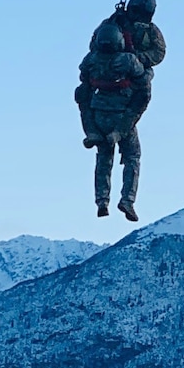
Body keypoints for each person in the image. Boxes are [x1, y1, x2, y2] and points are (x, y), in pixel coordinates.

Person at [76, 19, 147, 220]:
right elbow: (142, 80)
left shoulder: (91, 60)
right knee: (132, 157)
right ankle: (128, 199)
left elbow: (84, 82)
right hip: (122, 115)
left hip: (99, 114)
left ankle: (102, 200)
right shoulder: (127, 61)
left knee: (104, 158)